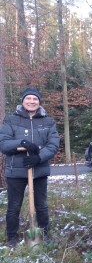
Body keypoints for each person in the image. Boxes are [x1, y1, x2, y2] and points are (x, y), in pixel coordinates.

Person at [0, 88, 60, 247]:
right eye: (29, 98)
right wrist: (21, 143)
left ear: (39, 102)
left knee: (41, 205)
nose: (32, 101)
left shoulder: (48, 121)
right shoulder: (11, 120)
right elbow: (4, 143)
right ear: (23, 101)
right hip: (15, 171)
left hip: (39, 171)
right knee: (13, 206)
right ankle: (11, 238)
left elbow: (53, 145)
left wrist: (38, 157)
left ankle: (43, 234)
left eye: (35, 99)